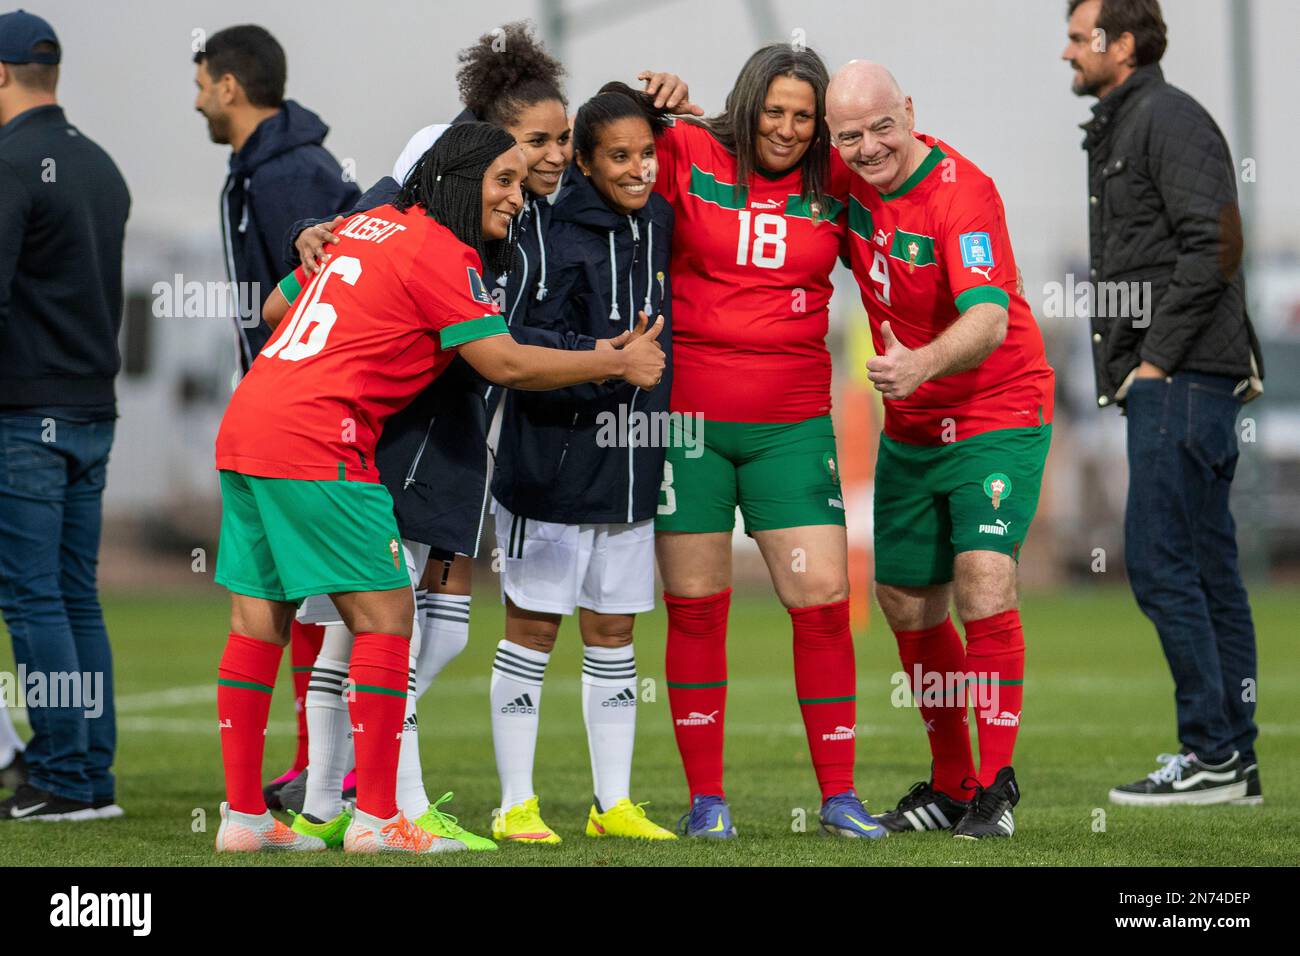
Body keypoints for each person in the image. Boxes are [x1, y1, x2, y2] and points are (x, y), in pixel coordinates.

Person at [210, 121, 665, 853]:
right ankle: (378, 820)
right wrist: (613, 364)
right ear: (456, 181)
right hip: (320, 437)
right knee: (390, 619)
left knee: (258, 619)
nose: (518, 198)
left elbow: (271, 313)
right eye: (505, 181)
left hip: (249, 423)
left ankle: (243, 820)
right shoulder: (439, 250)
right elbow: (504, 364)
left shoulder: (364, 224)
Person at [643, 46, 884, 839]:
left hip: (791, 427)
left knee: (820, 604)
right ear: (746, 104)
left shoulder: (837, 182)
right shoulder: (685, 150)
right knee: (696, 608)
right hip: (688, 426)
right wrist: (645, 100)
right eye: (773, 111)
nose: (786, 129)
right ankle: (707, 802)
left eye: (803, 116)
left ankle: (840, 797)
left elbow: (910, 208)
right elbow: (595, 145)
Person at [826, 61, 1055, 840]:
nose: (868, 147)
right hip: (914, 427)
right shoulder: (845, 173)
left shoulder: (965, 192)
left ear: (911, 113)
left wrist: (920, 364)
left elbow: (989, 317)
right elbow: (761, 145)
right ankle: (955, 784)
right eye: (849, 135)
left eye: (882, 126)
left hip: (996, 408)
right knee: (904, 601)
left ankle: (996, 789)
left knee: (983, 581)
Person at [1062, 0, 1263, 806]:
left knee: (1159, 560)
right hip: (1182, 381)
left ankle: (1211, 753)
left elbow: (1216, 243)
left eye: (1080, 39)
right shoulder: (1129, 122)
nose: (1067, 53)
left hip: (1181, 380)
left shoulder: (1167, 118)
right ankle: (1231, 761)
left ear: (1125, 43)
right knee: (1208, 568)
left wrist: (1153, 362)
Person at [487, 82, 676, 843]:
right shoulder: (545, 228)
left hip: (630, 466)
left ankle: (613, 805)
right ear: (588, 168)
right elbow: (517, 340)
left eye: (648, 153)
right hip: (548, 464)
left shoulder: (660, 220)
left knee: (614, 632)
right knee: (532, 631)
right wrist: (612, 362)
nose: (640, 170)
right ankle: (514, 803)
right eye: (619, 157)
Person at [193, 23, 362, 807]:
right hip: (277, 414)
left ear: (230, 85)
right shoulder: (261, 168)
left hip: (305, 420)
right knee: (292, 600)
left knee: (338, 602)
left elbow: (328, 283)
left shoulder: (292, 171)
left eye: (201, 82)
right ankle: (302, 775)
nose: (195, 98)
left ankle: (327, 774)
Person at [0, 9, 130, 822]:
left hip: (26, 416)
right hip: (91, 410)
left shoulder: (11, 164)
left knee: (34, 598)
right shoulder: (100, 164)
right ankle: (89, 778)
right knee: (74, 595)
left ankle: (61, 777)